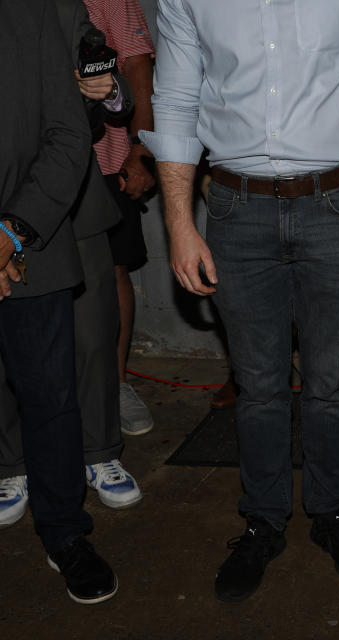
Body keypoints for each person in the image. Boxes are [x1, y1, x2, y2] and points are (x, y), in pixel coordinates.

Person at [143, 0, 339, 602]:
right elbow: (174, 99)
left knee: (330, 378)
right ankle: (264, 520)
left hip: (335, 203)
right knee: (258, 384)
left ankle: (330, 513)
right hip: (232, 206)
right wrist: (178, 220)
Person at [0, 0, 141, 525]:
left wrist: (104, 87)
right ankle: (10, 463)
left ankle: (100, 453)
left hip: (68, 195)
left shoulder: (57, 5)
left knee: (90, 334)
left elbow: (105, 65)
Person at [84, 0, 157, 439]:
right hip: (35, 166)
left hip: (107, 159)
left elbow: (137, 67)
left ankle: (117, 384)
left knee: (112, 272)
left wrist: (141, 149)